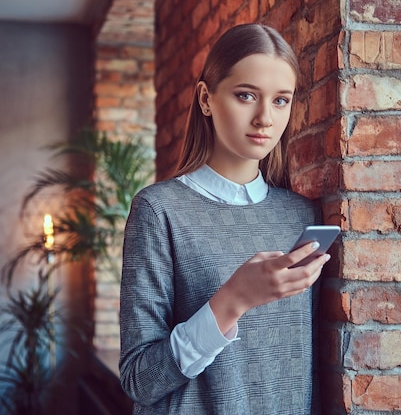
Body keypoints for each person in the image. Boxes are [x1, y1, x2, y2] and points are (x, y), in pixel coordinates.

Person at [119, 23, 328, 415]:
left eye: (281, 100)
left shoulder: (303, 216)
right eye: (246, 95)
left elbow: (306, 368)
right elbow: (139, 380)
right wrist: (232, 301)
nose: (265, 118)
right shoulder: (159, 211)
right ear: (206, 99)